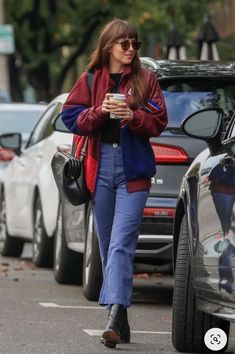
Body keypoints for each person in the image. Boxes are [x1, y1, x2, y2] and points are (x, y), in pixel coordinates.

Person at [61, 18, 167, 348]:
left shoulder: (146, 80)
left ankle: (116, 311)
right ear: (109, 47)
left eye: (134, 43)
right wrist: (99, 111)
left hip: (133, 170)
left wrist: (133, 117)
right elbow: (70, 118)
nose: (131, 49)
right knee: (107, 246)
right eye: (125, 44)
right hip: (100, 166)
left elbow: (159, 121)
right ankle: (119, 317)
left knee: (122, 242)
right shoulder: (91, 78)